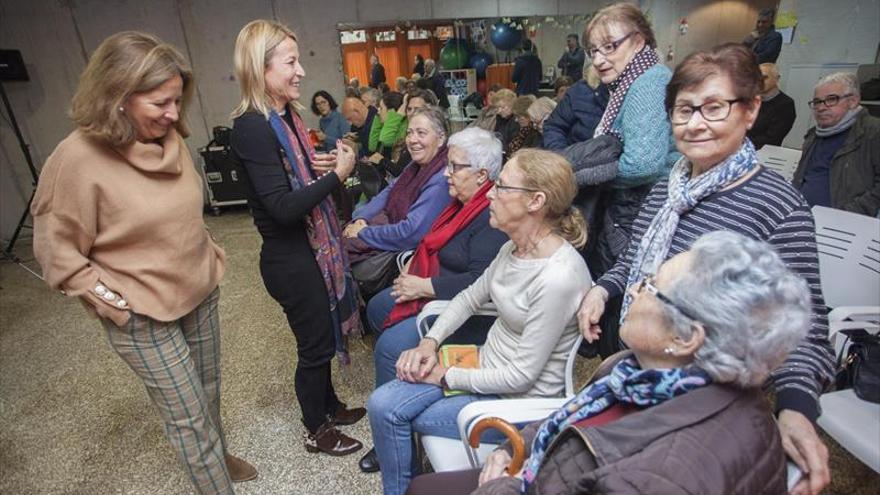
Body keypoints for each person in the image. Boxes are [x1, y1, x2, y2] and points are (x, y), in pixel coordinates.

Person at [577, 43, 834, 495]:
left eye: (714, 108)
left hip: (704, 399)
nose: (695, 124)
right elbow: (632, 259)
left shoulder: (776, 205)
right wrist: (603, 289)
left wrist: (797, 407)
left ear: (751, 109)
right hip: (643, 362)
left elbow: (804, 325)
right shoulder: (665, 190)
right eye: (683, 110)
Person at [408, 231, 812, 495]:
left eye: (651, 287)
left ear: (686, 338)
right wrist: (523, 445)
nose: (633, 289)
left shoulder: (661, 476)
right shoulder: (632, 368)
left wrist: (500, 488)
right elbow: (571, 417)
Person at [31, 31, 256, 493]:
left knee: (208, 392)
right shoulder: (75, 159)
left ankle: (218, 455)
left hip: (198, 288)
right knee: (188, 417)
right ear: (117, 97)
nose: (174, 114)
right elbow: (57, 254)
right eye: (160, 103)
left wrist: (204, 246)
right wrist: (114, 303)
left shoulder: (167, 135)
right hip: (142, 314)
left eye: (176, 101)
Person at [368, 148, 592, 495]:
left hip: (514, 402)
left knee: (394, 413)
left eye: (501, 187)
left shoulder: (558, 277)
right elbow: (470, 297)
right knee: (382, 402)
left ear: (536, 201)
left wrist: (444, 374)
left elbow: (521, 375)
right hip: (483, 368)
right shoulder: (513, 248)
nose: (489, 193)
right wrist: (430, 342)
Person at [230, 19, 365, 457]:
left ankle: (329, 406)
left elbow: (297, 180)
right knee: (314, 347)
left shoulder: (286, 116)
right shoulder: (252, 125)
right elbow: (284, 208)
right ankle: (316, 429)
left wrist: (321, 170)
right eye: (290, 62)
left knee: (322, 337)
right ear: (261, 68)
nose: (300, 71)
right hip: (290, 258)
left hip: (308, 252)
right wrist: (338, 176)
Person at [358, 127, 509, 473]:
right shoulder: (460, 204)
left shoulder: (489, 216)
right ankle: (401, 388)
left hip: (473, 317)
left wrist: (424, 286)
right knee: (379, 307)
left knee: (388, 344)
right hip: (440, 288)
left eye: (454, 166)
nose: (445, 173)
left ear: (481, 174)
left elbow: (477, 283)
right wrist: (416, 267)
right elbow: (433, 243)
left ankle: (391, 435)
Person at [581, 3, 680, 357]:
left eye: (610, 46)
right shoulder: (632, 82)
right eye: (593, 50)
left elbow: (643, 163)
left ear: (638, 41)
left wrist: (584, 178)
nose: (599, 58)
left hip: (639, 209)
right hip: (633, 208)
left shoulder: (647, 83)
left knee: (625, 311)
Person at [344, 106, 453, 294]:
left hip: (405, 251)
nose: (412, 140)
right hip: (385, 228)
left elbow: (411, 233)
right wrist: (362, 218)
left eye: (421, 133)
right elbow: (389, 191)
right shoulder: (415, 165)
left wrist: (364, 232)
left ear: (441, 138)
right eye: (410, 132)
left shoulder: (440, 179)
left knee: (338, 254)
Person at [793, 72, 880, 216]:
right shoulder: (813, 135)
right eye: (817, 102)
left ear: (852, 101)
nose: (821, 107)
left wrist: (849, 212)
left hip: (843, 223)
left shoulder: (874, 132)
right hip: (800, 214)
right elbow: (802, 177)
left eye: (831, 99)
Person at [543, 66, 609, 151]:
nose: (600, 60)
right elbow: (554, 127)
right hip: (575, 159)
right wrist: (563, 158)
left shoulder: (629, 93)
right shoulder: (579, 91)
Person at [747, 63, 795, 149]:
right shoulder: (751, 100)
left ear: (777, 79)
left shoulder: (785, 104)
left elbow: (773, 138)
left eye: (765, 77)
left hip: (765, 154)